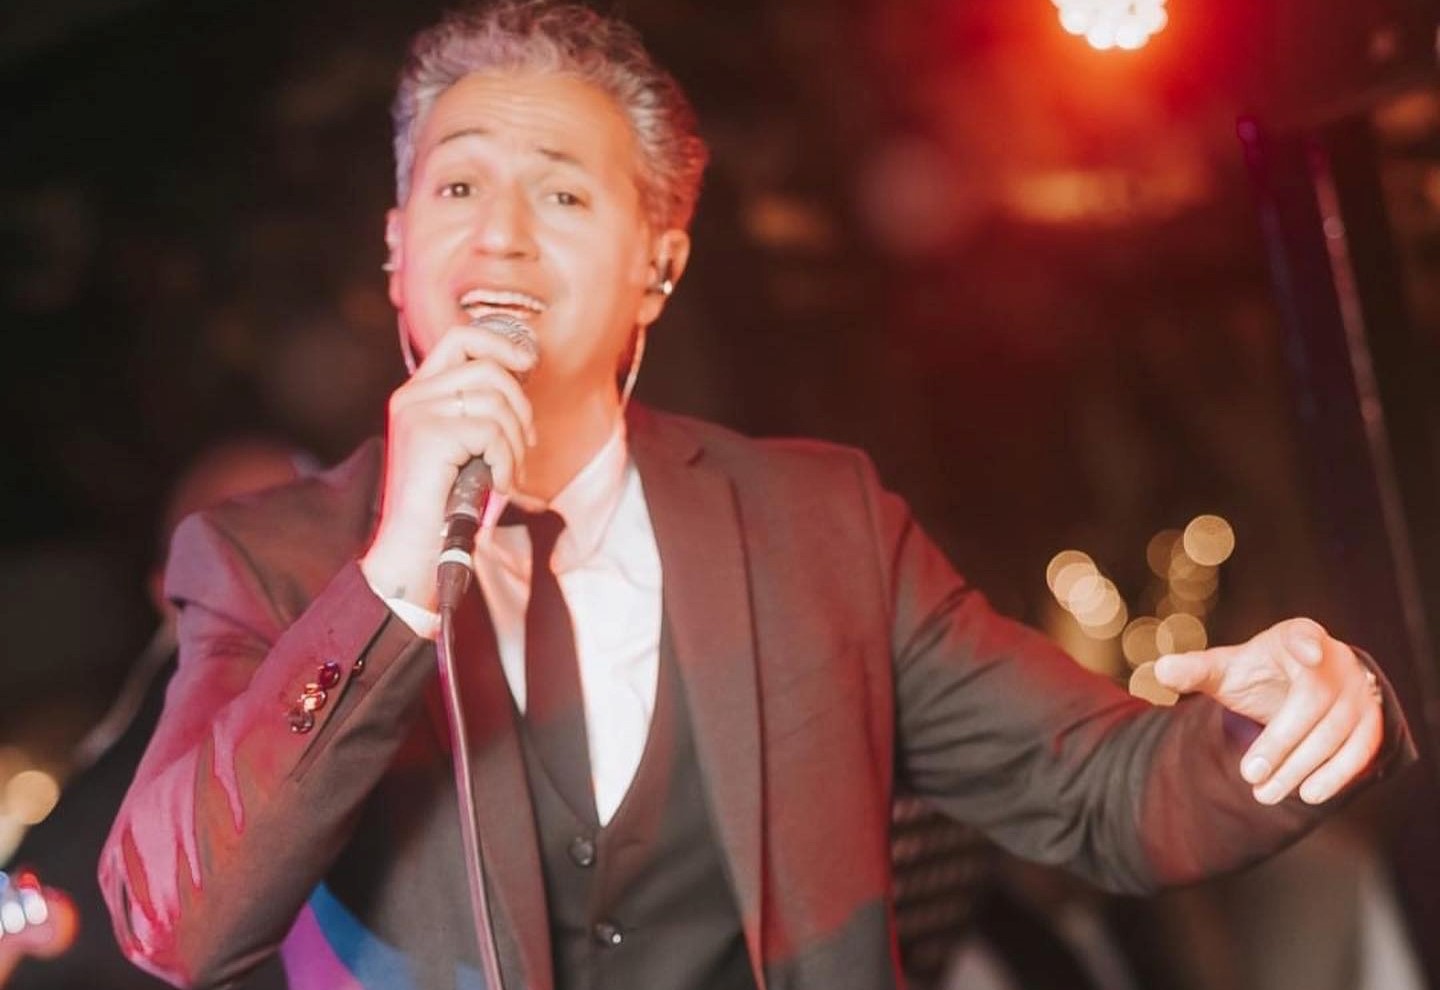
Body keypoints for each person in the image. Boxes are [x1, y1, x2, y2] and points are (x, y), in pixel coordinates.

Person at [99, 3, 1414, 989]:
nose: (499, 232)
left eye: (561, 192)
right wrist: (390, 583)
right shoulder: (264, 560)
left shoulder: (816, 524)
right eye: (457, 185)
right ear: (396, 250)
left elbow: (1098, 787)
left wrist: (1299, 721)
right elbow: (175, 923)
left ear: (657, 263)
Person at [6, 438, 308, 989]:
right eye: (221, 539)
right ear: (163, 588)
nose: (257, 560)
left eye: (293, 521)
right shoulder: (155, 723)